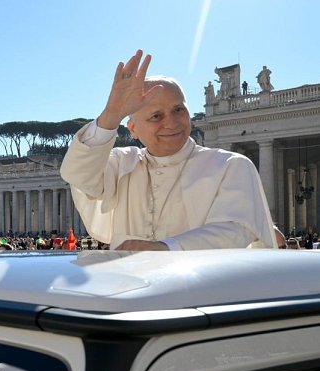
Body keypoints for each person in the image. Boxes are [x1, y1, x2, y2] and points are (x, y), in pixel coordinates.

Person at [59, 50, 276, 251]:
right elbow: (77, 174)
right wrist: (111, 113)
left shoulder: (231, 165)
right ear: (133, 129)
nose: (171, 122)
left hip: (203, 289)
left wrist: (165, 248)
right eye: (156, 116)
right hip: (128, 285)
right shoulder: (120, 163)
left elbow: (237, 228)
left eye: (178, 110)